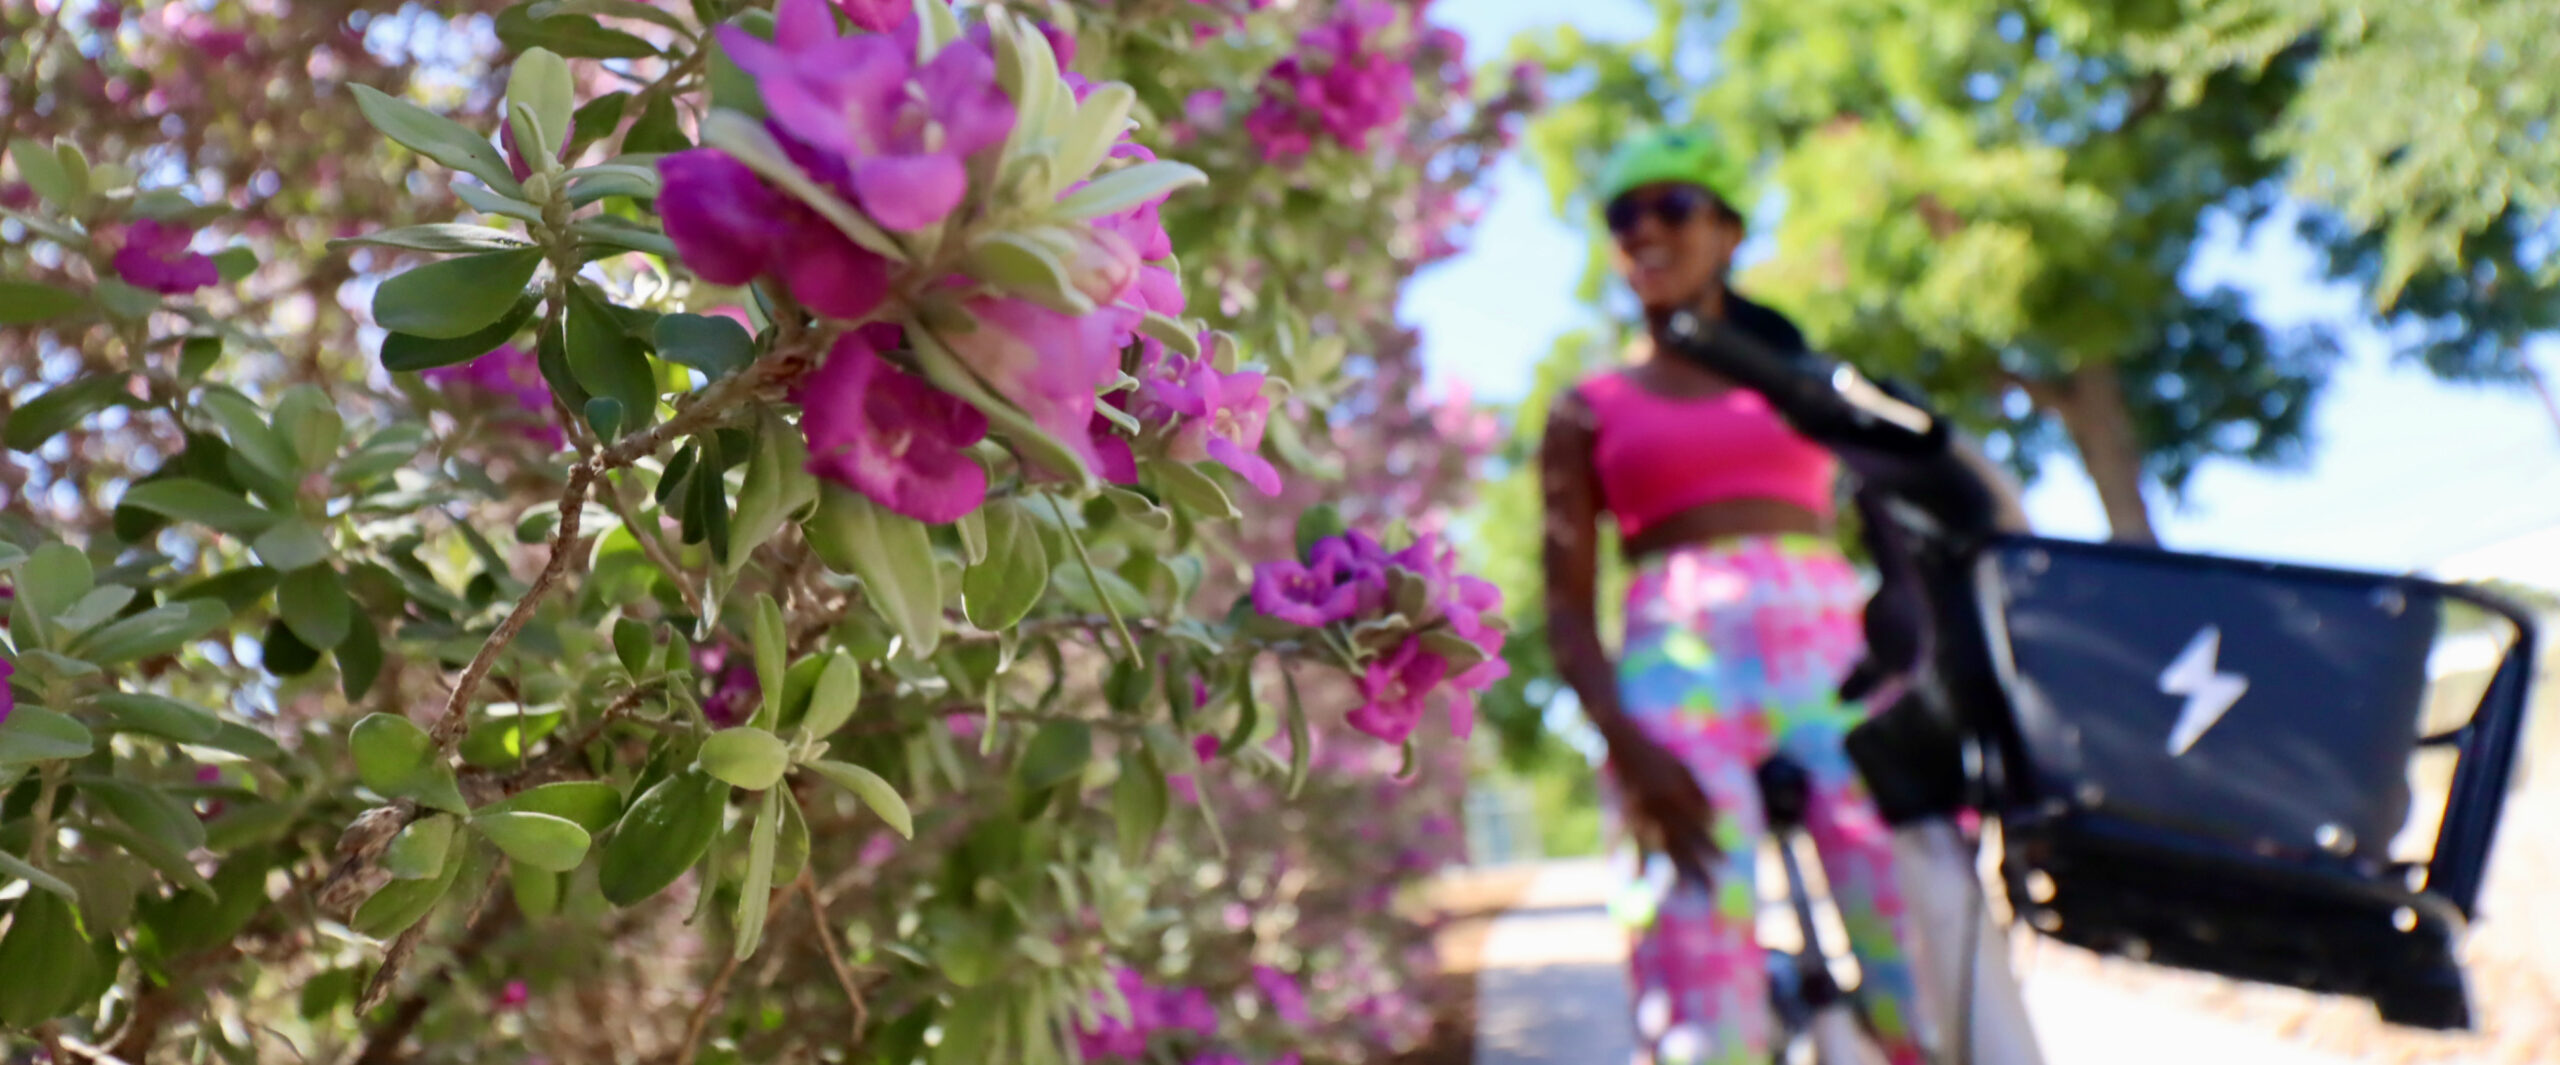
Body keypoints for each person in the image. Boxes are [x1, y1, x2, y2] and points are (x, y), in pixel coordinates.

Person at [1539, 126, 1930, 1065]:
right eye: (1623, 216)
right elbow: (1565, 601)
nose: (1645, 231)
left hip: (1833, 665)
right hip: (1678, 682)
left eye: (1671, 207)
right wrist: (1625, 747)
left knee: (1916, 930)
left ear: (1728, 231)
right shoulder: (1588, 405)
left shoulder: (1803, 380)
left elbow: (1899, 514)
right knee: (1694, 959)